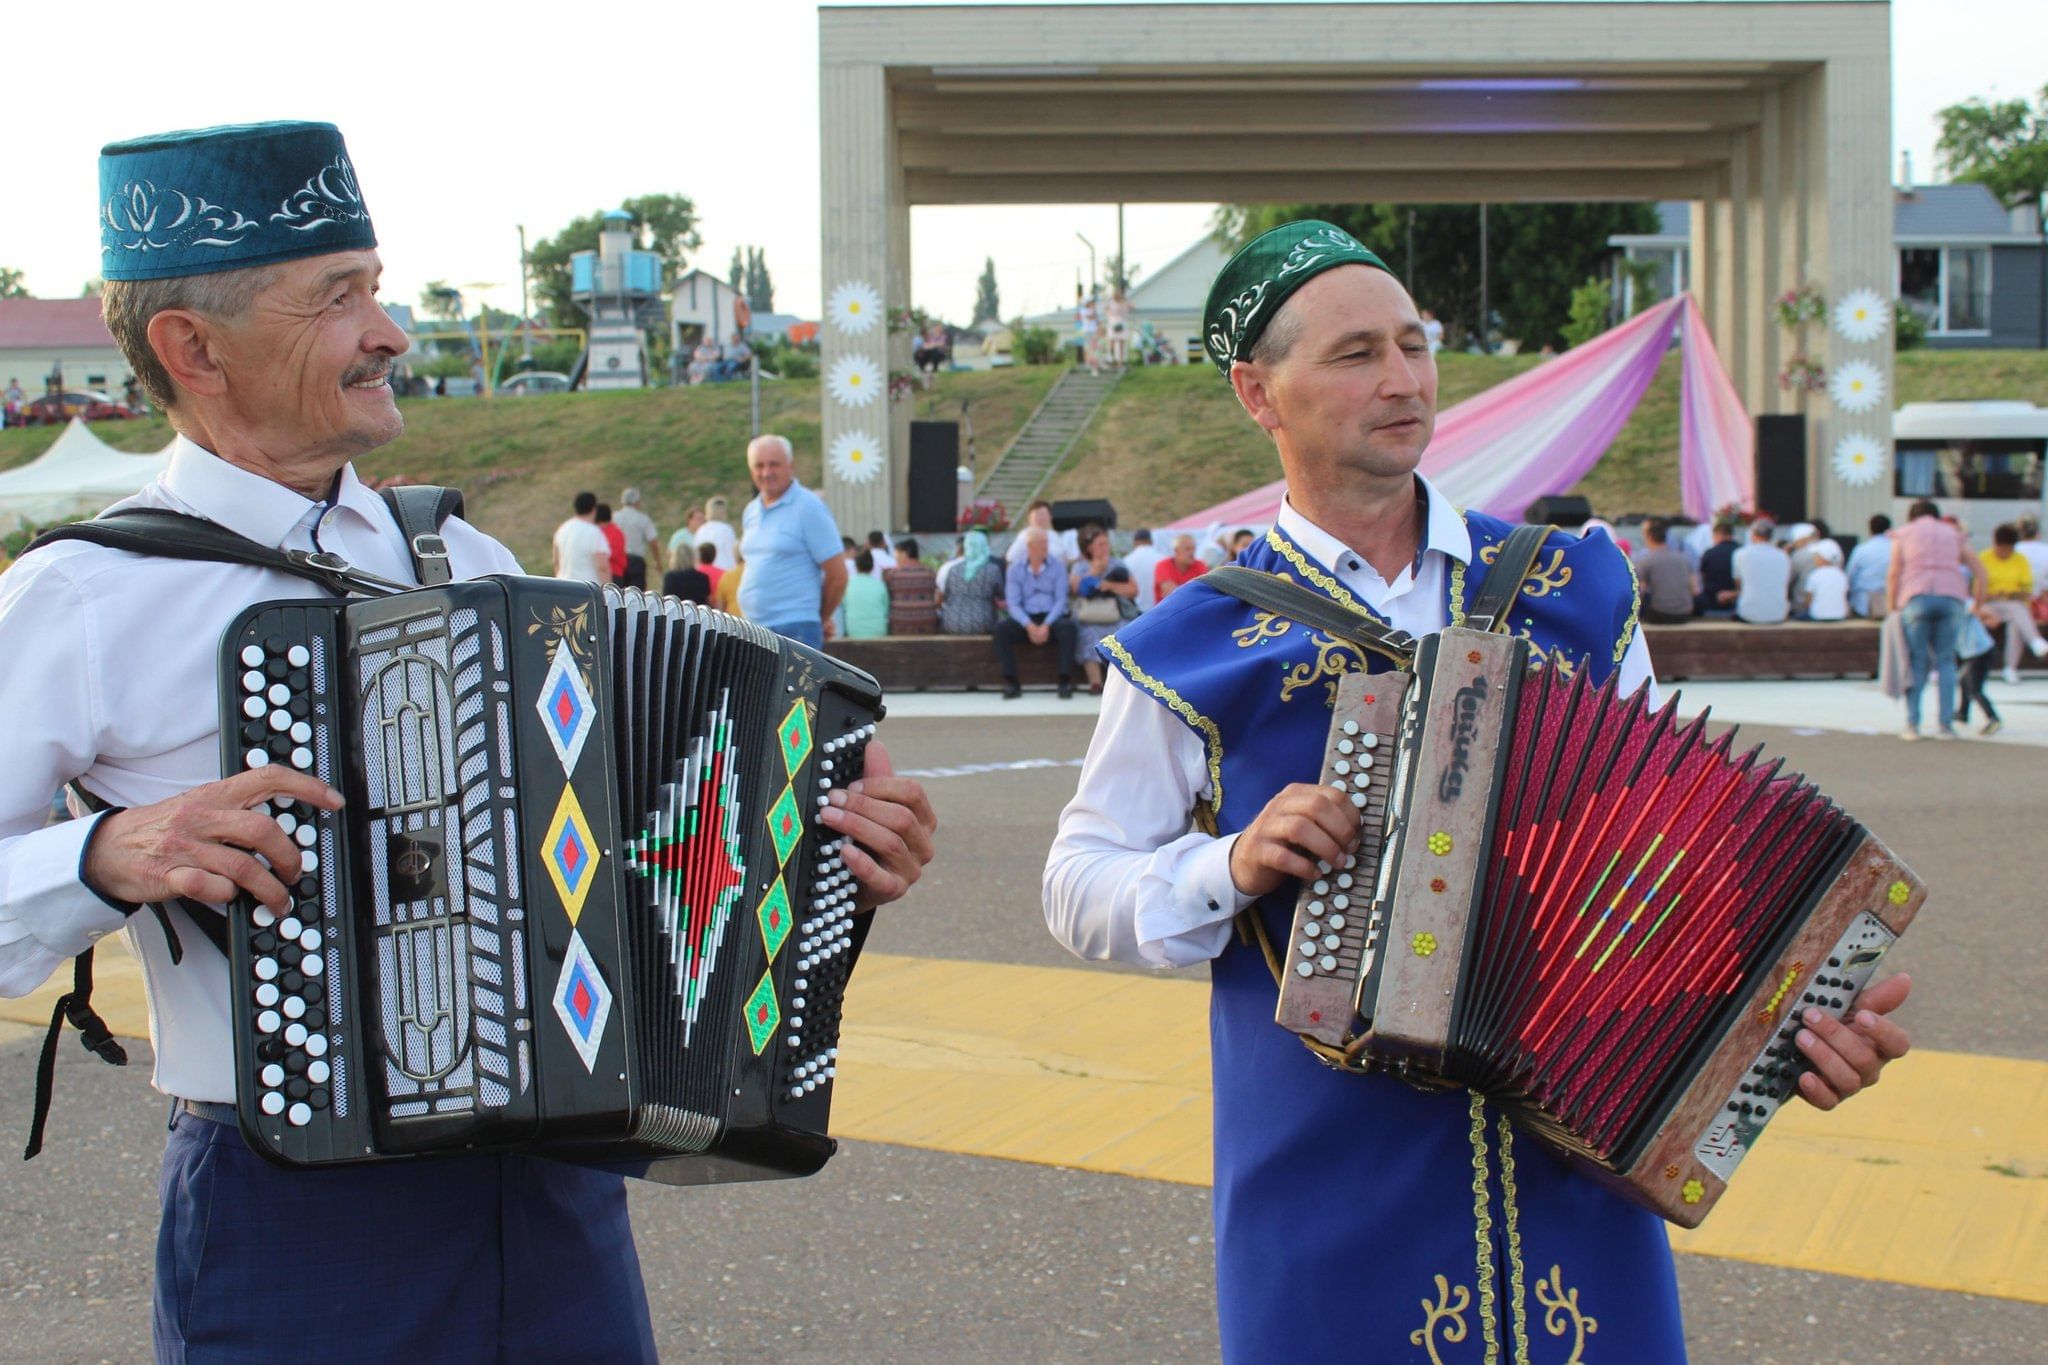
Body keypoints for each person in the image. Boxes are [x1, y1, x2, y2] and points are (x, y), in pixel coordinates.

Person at [0, 119, 935, 1365]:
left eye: (377, 289)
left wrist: (829, 850)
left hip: (555, 1196)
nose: (389, 331)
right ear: (191, 347)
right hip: (296, 1208)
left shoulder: (471, 566)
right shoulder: (83, 593)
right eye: (338, 299)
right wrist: (105, 854)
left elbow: (649, 839)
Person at [1041, 218, 1910, 1363]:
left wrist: (1782, 1036)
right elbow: (1076, 882)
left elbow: (1683, 851)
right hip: (1323, 1185)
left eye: (1413, 344)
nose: (1401, 379)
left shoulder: (1570, 586)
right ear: (1258, 392)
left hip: (1580, 1173)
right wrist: (1229, 862)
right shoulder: (1193, 646)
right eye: (1355, 354)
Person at [736, 435, 846, 648]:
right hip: (753, 630)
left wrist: (818, 618)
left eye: (774, 464)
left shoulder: (808, 507)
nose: (766, 473)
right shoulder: (751, 511)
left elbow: (838, 575)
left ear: (791, 466)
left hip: (795, 631)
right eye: (759, 466)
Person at [1889, 498, 1983, 740]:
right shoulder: (1952, 533)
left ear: (1912, 516)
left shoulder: (1905, 533)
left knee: (1917, 661)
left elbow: (1894, 573)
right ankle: (1945, 725)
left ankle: (1912, 725)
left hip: (1916, 596)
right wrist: (1978, 604)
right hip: (1951, 597)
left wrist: (1892, 609)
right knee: (1946, 661)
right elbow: (1981, 572)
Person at [995, 525, 1077, 699]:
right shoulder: (1015, 569)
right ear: (1029, 546)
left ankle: (1064, 681)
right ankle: (1012, 682)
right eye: (1041, 543)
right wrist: (1029, 626)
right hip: (1026, 617)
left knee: (1069, 628)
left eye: (1046, 542)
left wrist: (1046, 624)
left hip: (1052, 617)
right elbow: (1013, 603)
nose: (1045, 546)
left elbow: (1060, 600)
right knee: (1001, 630)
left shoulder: (1058, 566)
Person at [1069, 525, 1137, 694]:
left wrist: (1109, 586)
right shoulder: (1080, 567)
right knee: (1088, 633)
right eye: (1100, 544)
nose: (1105, 548)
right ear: (1090, 547)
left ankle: (1123, 683)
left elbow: (1133, 590)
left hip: (1115, 613)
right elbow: (1074, 590)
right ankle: (1095, 683)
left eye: (1106, 544)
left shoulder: (1118, 564)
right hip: (1089, 615)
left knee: (1123, 632)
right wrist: (1093, 572)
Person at [1978, 523, 2048, 683]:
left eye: (2007, 549)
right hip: (1988, 605)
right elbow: (1977, 590)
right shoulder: (1984, 558)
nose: (2004, 552)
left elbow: (2027, 591)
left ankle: (2010, 668)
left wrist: (2009, 594)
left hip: (2012, 604)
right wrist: (1994, 595)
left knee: (2016, 619)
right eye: (2001, 548)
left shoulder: (2020, 560)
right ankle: (2035, 641)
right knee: (2018, 611)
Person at [937, 528, 1004, 634]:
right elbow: (1001, 596)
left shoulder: (953, 569)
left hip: (952, 622)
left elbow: (946, 596)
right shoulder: (992, 569)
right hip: (982, 622)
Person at [1629, 516, 1694, 624]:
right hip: (1685, 614)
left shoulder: (1646, 561)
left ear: (1649, 537)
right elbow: (1695, 589)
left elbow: (1640, 593)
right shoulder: (1684, 558)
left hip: (1659, 615)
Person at [1956, 604, 2004, 735]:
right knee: (1963, 681)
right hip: (1969, 652)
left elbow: (1978, 610)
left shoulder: (1959, 603)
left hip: (1981, 651)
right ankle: (1962, 713)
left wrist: (1986, 616)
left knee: (1974, 688)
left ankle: (1993, 718)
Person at [1732, 518, 1790, 624]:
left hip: (1748, 613)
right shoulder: (1783, 556)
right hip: (1778, 613)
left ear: (1752, 534)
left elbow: (1739, 584)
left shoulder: (1740, 554)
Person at [552, 490, 610, 584]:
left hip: (564, 585)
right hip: (587, 588)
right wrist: (607, 590)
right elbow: (602, 566)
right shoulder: (594, 533)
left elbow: (556, 562)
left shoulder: (562, 529)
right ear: (594, 509)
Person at [884, 537, 939, 634]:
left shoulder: (892, 574)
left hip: (900, 624)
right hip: (927, 624)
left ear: (905, 554)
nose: (895, 557)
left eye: (896, 554)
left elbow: (887, 599)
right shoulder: (931, 572)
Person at [1845, 513, 1894, 618]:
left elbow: (1850, 575)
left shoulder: (1861, 549)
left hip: (1863, 605)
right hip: (1890, 603)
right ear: (1889, 529)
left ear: (1870, 529)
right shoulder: (1896, 548)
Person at [613, 487, 661, 590]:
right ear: (637, 502)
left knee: (617, 592)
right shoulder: (643, 519)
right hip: (636, 561)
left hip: (618, 560)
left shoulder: (614, 517)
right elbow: (653, 541)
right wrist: (657, 561)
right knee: (637, 594)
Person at [1005, 498, 1076, 565]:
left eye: (1043, 514)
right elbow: (1011, 557)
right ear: (1029, 518)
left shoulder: (1053, 534)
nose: (1040, 518)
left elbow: (1064, 556)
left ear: (1050, 517)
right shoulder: (1025, 535)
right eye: (1036, 515)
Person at [841, 550, 891, 638]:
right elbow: (886, 608)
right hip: (878, 631)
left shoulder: (848, 584)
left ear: (856, 566)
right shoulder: (880, 585)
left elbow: (845, 607)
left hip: (853, 631)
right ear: (872, 567)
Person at [1695, 517, 1739, 615]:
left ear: (1717, 535)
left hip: (1712, 600)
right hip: (1736, 600)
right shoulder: (1742, 552)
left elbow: (1701, 577)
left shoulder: (1709, 553)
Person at [1800, 539, 1851, 621]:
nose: (1814, 558)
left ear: (1823, 558)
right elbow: (1845, 599)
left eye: (1816, 556)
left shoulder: (1815, 575)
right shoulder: (1841, 575)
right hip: (1840, 616)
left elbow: (1808, 602)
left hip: (1817, 617)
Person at [1153, 532, 1208, 600]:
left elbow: (1205, 592)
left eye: (1193, 548)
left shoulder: (1200, 565)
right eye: (1187, 549)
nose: (1192, 552)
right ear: (1176, 550)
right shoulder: (1163, 565)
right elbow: (1172, 595)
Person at [1122, 528, 1164, 611]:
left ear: (1135, 541)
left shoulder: (1126, 561)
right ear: (1151, 541)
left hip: (1136, 612)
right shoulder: (1163, 559)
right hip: (1159, 610)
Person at [698, 494, 737, 570]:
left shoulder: (701, 530)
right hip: (724, 571)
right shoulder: (727, 530)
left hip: (704, 572)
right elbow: (732, 554)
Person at [594, 502, 628, 584]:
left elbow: (610, 554)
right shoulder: (616, 532)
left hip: (613, 573)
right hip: (603, 572)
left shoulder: (613, 532)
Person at [913, 321, 949, 387]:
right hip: (929, 353)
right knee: (920, 353)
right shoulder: (930, 337)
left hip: (938, 354)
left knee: (934, 351)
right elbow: (925, 345)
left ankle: (933, 371)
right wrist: (934, 345)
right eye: (936, 328)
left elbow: (941, 345)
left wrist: (932, 345)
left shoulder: (943, 336)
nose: (937, 330)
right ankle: (922, 369)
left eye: (939, 328)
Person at [1105, 285, 1131, 369]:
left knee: (1121, 343)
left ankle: (1120, 362)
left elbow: (1127, 310)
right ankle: (1112, 360)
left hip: (1121, 322)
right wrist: (1110, 317)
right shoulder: (1111, 302)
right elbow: (1107, 310)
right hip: (1113, 322)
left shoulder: (1124, 302)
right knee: (1112, 342)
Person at [713, 545, 745, 615]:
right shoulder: (759, 574)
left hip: (734, 620)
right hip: (755, 621)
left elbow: (720, 607)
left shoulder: (726, 577)